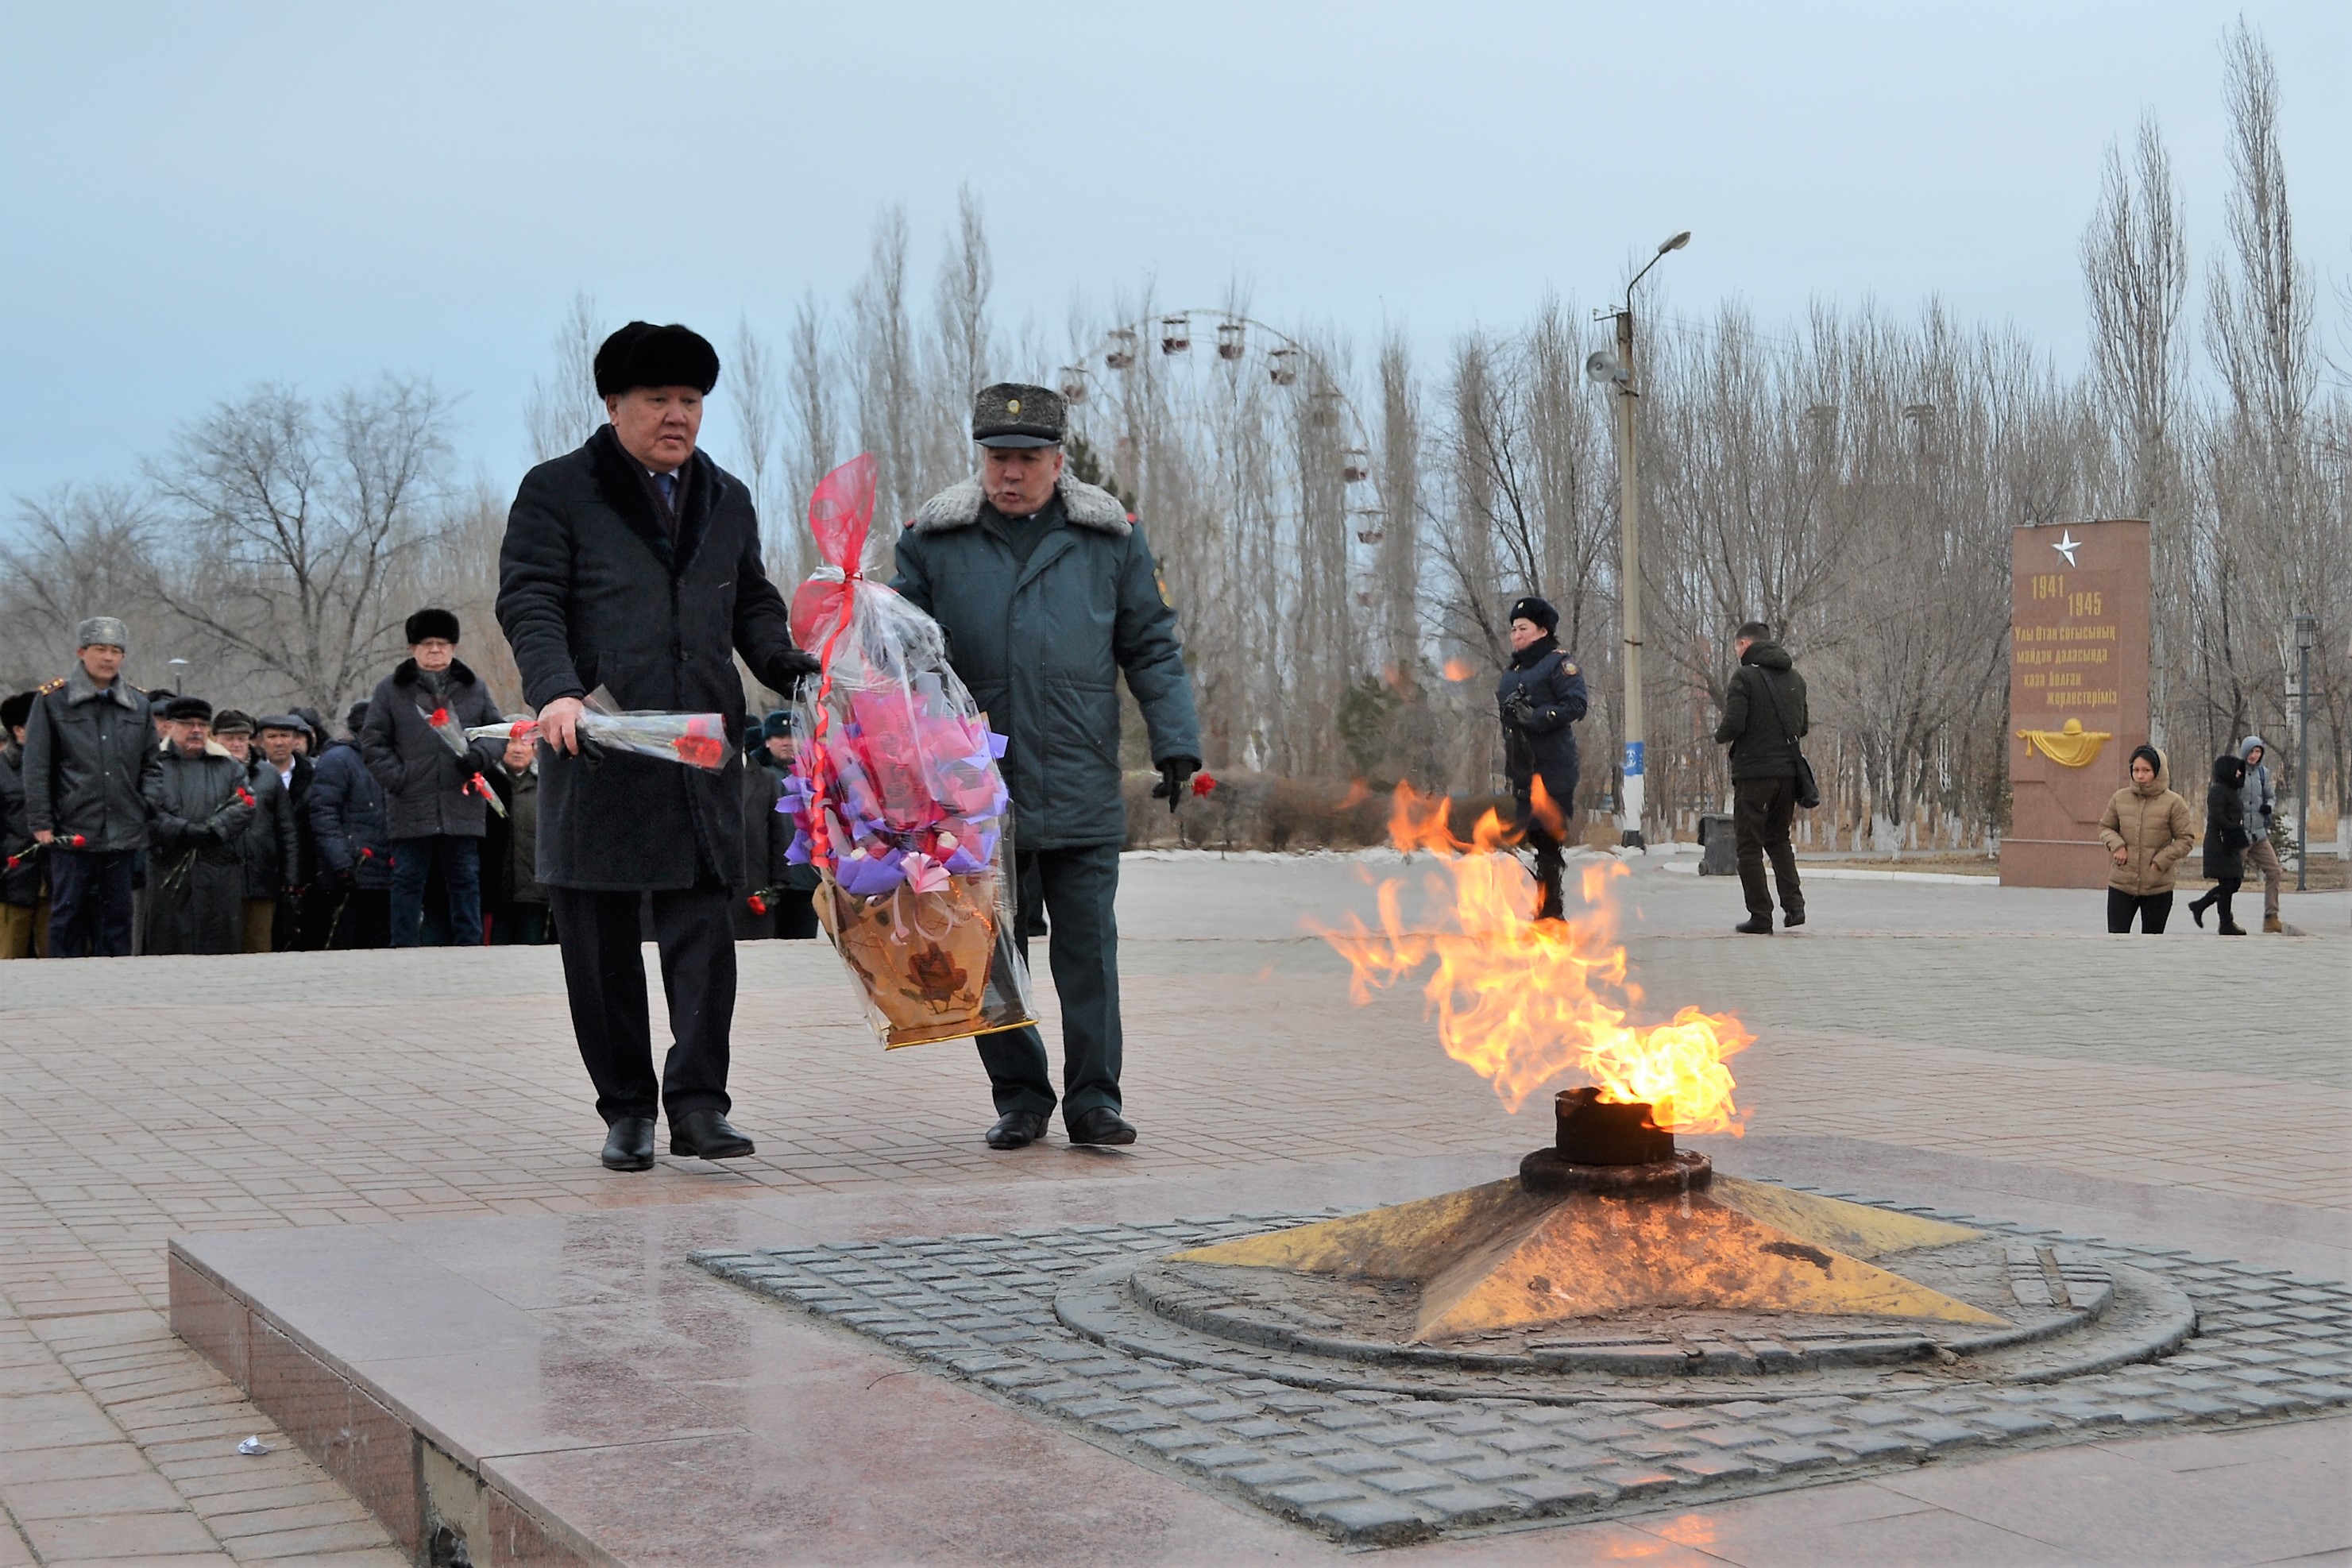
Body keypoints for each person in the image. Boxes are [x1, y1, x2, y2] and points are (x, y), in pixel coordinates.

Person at [496, 320, 818, 1172]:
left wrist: (796, 670)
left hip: (700, 751)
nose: (677, 416)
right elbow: (530, 603)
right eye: (658, 400)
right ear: (613, 404)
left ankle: (700, 1104)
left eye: (691, 400)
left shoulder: (727, 496)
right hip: (596, 741)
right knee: (597, 943)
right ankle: (628, 1110)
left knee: (704, 939)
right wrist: (555, 691)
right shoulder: (558, 491)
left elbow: (752, 605)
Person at [894, 382, 1202, 1151]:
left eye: (1027, 458)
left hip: (1080, 777)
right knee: (989, 952)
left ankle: (1094, 1099)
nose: (1010, 473)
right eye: (998, 458)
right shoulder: (932, 542)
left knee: (1089, 952)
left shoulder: (1110, 540)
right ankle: (1021, 1098)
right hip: (970, 792)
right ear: (981, 460)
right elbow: (898, 654)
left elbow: (1151, 645)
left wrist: (1176, 742)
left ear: (1057, 461)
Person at [361, 609, 501, 947]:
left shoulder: (474, 688)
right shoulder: (391, 690)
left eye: (442, 644)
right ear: (413, 649)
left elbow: (496, 733)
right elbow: (372, 742)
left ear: (453, 647)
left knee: (465, 878)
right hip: (410, 802)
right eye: (427, 644)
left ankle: (470, 948)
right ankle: (404, 947)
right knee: (408, 879)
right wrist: (399, 779)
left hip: (461, 799)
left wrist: (478, 757)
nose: (435, 651)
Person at [23, 616, 160, 957]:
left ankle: (114, 992)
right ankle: (64, 990)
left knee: (117, 917)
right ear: (82, 652)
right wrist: (41, 820)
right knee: (68, 914)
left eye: (116, 651)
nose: (108, 658)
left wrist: (147, 804)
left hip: (124, 829)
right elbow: (37, 765)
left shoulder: (139, 704)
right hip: (72, 829)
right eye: (100, 649)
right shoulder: (53, 700)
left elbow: (152, 765)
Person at [1494, 595, 1587, 921]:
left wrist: (1538, 715)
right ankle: (1545, 900)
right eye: (1513, 629)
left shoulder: (1559, 664)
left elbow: (1577, 705)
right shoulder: (1512, 671)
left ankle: (1551, 910)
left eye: (1523, 628)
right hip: (1522, 765)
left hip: (1553, 765)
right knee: (1534, 835)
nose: (1515, 635)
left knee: (1548, 838)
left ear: (1542, 631)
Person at [1713, 620, 1809, 935]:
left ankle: (1760, 916)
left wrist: (1719, 735)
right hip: (1788, 775)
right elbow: (1802, 726)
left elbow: (1733, 724)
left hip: (1754, 775)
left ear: (1744, 645)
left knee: (1749, 846)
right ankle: (1794, 906)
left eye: (1737, 647)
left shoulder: (1744, 677)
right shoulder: (1795, 678)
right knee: (1779, 839)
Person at [142, 697, 257, 955]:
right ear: (170, 726)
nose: (196, 730)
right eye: (188, 724)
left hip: (217, 870)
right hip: (168, 869)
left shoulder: (229, 766)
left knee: (218, 946)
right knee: (169, 947)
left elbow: (246, 804)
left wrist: (215, 829)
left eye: (202, 724)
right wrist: (181, 830)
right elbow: (146, 809)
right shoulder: (153, 765)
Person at [211, 711, 299, 952]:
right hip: (219, 880)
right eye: (230, 738)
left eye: (242, 737)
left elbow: (287, 830)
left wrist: (291, 878)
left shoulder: (268, 775)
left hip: (261, 878)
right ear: (215, 739)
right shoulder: (207, 773)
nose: (237, 744)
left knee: (259, 948)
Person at [307, 701, 393, 948]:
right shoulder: (338, 759)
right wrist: (342, 862)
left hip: (386, 871)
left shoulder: (390, 759)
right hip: (351, 871)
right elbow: (324, 814)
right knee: (348, 942)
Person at [2099, 743, 2194, 933]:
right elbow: (2105, 827)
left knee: (2152, 944)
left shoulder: (2173, 803)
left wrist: (2160, 861)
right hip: (2122, 884)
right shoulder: (2120, 798)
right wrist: (2117, 846)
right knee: (2116, 940)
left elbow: (2186, 839)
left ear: (2157, 772)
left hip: (2157, 886)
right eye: (2136, 770)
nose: (2140, 776)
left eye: (2146, 770)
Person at [481, 732, 552, 944]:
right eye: (511, 742)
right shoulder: (485, 785)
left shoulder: (547, 787)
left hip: (535, 892)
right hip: (495, 894)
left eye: (525, 742)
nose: (518, 749)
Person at [255, 715, 316, 948]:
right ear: (261, 741)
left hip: (305, 868)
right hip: (265, 866)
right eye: (272, 737)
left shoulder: (312, 775)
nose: (279, 742)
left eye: (285, 736)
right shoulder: (252, 775)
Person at [757, 712, 820, 940]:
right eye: (779, 736)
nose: (786, 742)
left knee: (803, 944)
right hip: (768, 882)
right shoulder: (756, 777)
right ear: (767, 741)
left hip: (806, 879)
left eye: (792, 736)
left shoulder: (817, 775)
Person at [2, 689, 48, 957]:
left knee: (61, 965)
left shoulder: (58, 768)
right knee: (9, 961)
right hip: (11, 885)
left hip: (54, 884)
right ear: (19, 730)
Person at [2187, 753, 2251, 936]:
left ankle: (2207, 910)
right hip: (2220, 842)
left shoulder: (2231, 791)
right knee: (2229, 881)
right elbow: (2217, 816)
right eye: (2237, 770)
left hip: (2229, 841)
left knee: (2233, 882)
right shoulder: (2217, 791)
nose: (2240, 774)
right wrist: (2234, 828)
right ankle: (2222, 921)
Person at [2237, 736, 2284, 933]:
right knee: (2232, 878)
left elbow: (2271, 797)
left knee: (2274, 871)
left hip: (2258, 834)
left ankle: (2271, 917)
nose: (2254, 756)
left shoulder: (2263, 774)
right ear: (2244, 752)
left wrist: (2268, 807)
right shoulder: (2235, 773)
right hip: (2240, 835)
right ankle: (2225, 917)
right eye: (2251, 751)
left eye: (2258, 752)